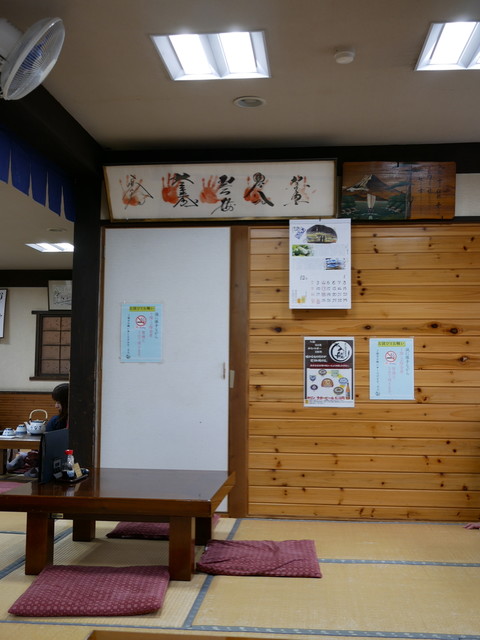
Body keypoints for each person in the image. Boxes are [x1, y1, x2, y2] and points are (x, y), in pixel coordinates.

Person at [6, 383, 69, 476]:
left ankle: (25, 459)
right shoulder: (56, 421)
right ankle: (24, 458)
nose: (56, 406)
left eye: (59, 403)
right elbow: (46, 443)